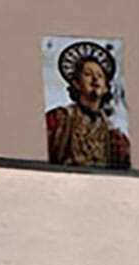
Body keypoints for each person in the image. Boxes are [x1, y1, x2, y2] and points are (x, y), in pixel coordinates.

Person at [45, 41, 131, 169]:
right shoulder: (58, 119)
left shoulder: (114, 136)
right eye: (88, 74)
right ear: (77, 84)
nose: (95, 79)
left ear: (106, 88)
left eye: (100, 76)